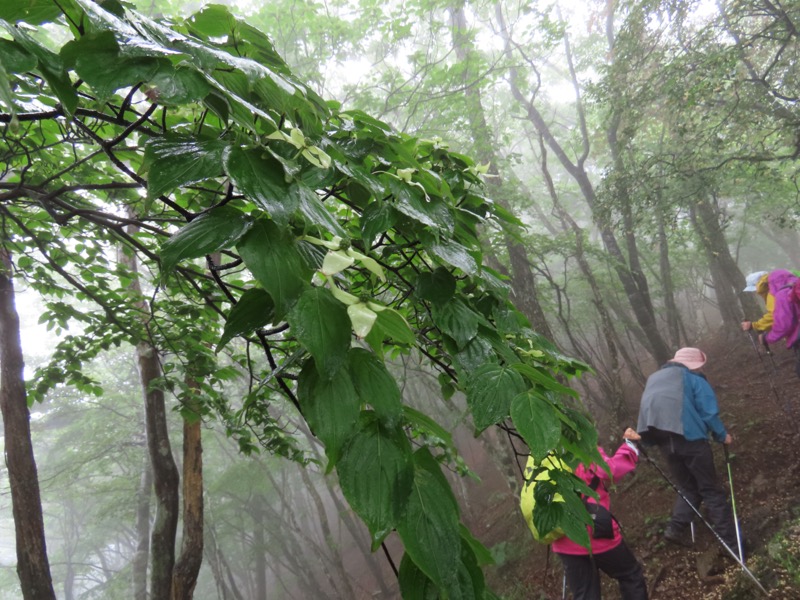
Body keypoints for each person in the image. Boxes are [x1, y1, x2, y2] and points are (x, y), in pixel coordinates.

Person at [636, 347, 739, 551]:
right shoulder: (694, 379)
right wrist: (722, 436)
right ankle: (732, 545)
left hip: (664, 442)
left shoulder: (655, 379)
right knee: (710, 490)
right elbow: (708, 413)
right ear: (695, 364)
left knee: (688, 488)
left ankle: (675, 528)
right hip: (691, 440)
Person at [551, 427, 649, 600]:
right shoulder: (585, 450)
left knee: (585, 595)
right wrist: (630, 447)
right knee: (630, 575)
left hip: (564, 538)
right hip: (596, 533)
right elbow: (609, 471)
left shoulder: (548, 457)